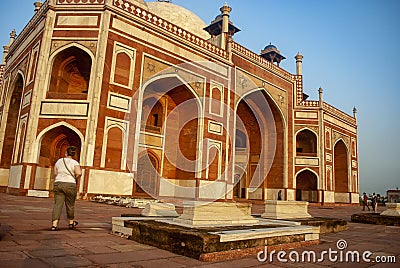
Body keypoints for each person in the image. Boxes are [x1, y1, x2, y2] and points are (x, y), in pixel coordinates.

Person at [51, 146, 82, 231]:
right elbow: (79, 173)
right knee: (70, 205)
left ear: (66, 153)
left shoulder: (59, 161)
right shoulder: (75, 163)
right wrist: (75, 177)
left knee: (57, 205)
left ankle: (54, 225)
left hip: (58, 183)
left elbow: (55, 172)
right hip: (70, 184)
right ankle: (71, 223)